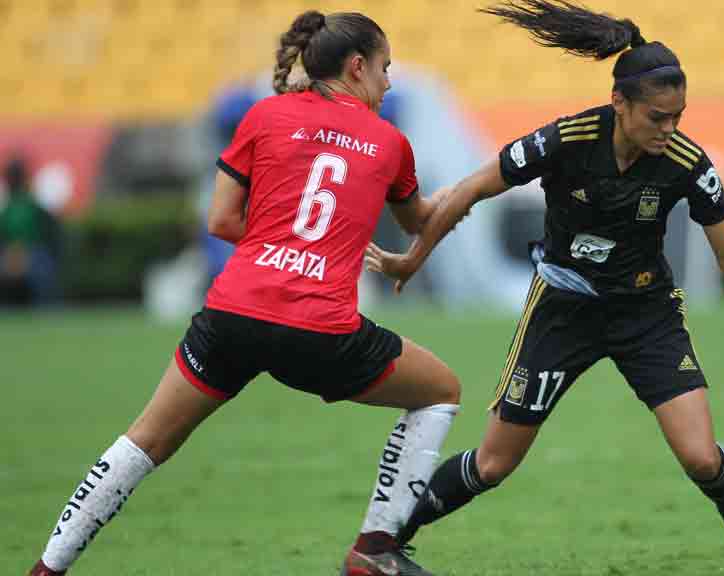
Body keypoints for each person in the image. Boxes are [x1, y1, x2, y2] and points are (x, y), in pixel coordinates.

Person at [364, 1, 724, 574]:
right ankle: (388, 540)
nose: (669, 129)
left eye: (678, 116)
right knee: (494, 464)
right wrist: (412, 259)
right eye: (657, 117)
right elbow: (471, 188)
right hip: (563, 309)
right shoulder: (566, 140)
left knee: (700, 457)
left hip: (645, 312)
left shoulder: (686, 162)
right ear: (619, 103)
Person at [28, 10, 459, 576]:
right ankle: (374, 550)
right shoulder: (389, 142)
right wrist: (467, 195)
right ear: (356, 68)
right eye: (384, 69)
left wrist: (276, 247)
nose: (389, 82)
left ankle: (45, 570)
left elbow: (221, 220)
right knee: (439, 390)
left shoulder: (264, 114)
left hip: (234, 311)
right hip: (320, 330)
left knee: (144, 441)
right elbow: (417, 220)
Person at [0, 154, 61, 306]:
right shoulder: (8, 207)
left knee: (41, 267)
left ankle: (44, 306)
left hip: (33, 254)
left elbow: (50, 236)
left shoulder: (33, 205)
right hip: (10, 254)